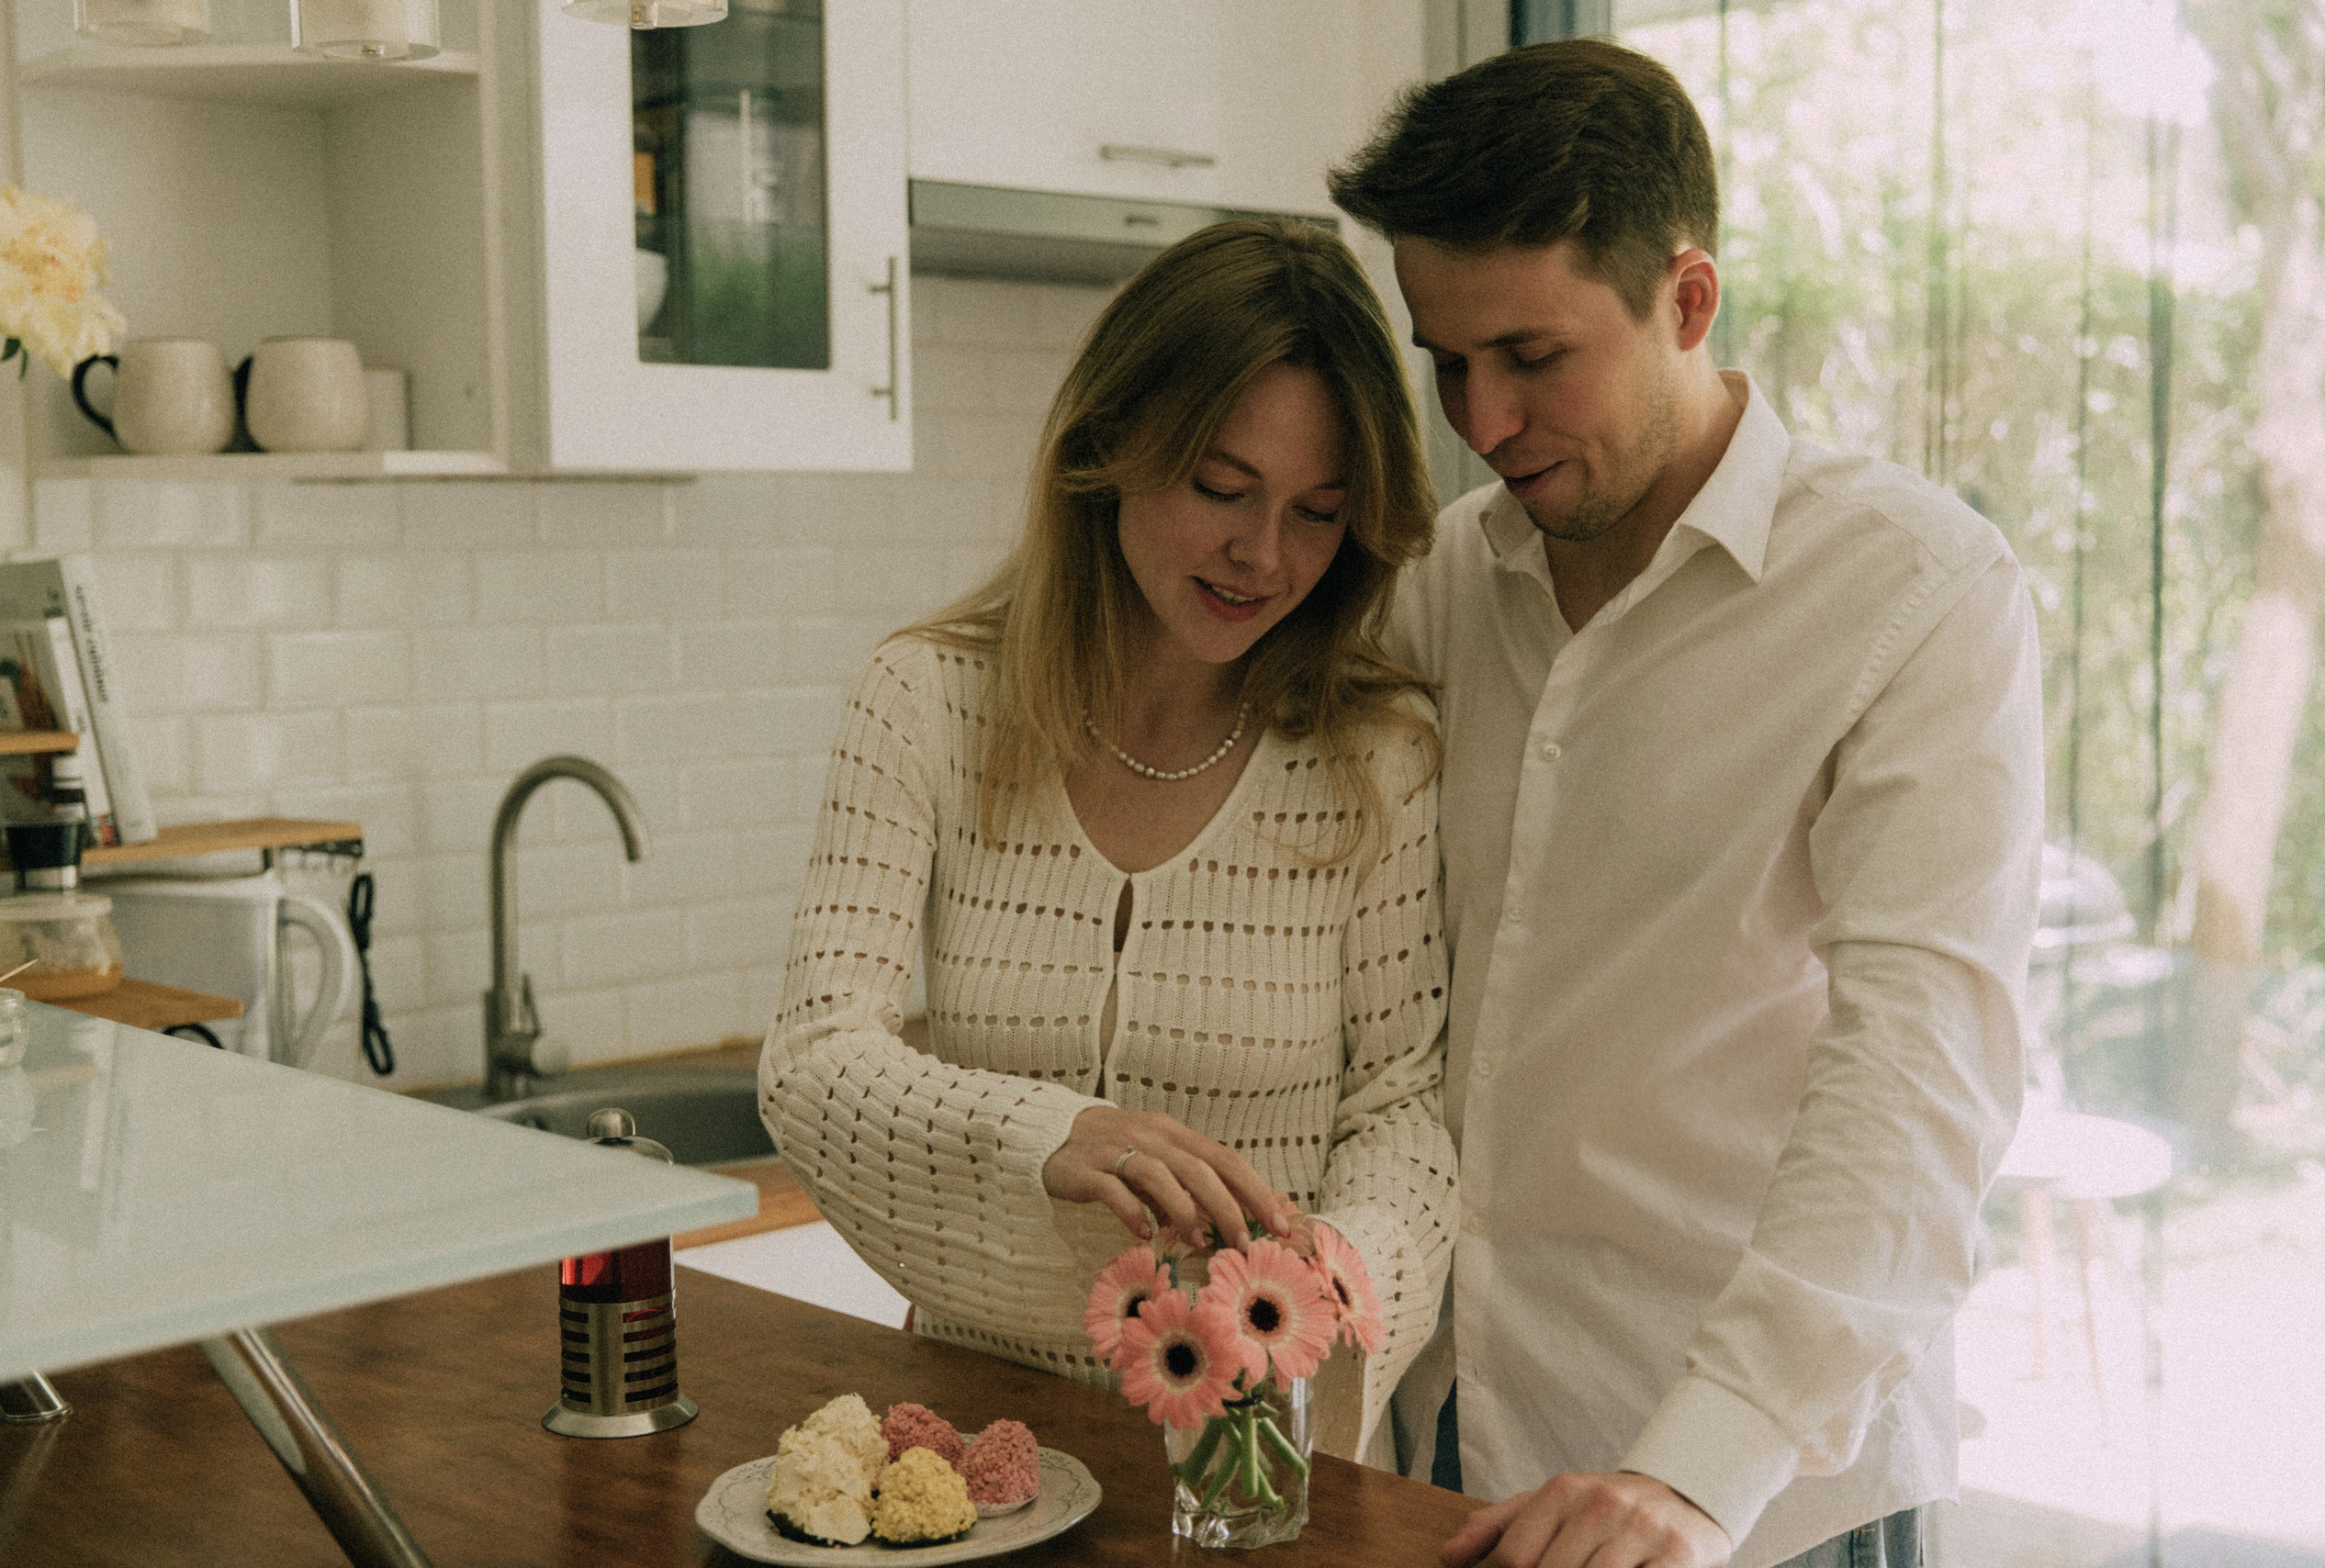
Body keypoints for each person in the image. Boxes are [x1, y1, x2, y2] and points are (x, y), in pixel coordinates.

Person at [1327, 39, 2041, 1568]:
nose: (1482, 420)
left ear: (1689, 300)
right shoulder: (1444, 583)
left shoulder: (1914, 590)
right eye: (1446, 362)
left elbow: (1919, 1078)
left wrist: (1701, 1474)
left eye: (1533, 356)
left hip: (1757, 1489)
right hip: (1457, 1428)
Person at [757, 218, 1458, 1462]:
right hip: (980, 1461)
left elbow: (1403, 1107)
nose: (1264, 555)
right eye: (1221, 489)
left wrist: (1336, 1283)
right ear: (1108, 447)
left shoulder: (1377, 753)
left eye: (1318, 512)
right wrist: (1055, 1132)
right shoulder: (925, 699)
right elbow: (816, 1058)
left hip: (1257, 1466)